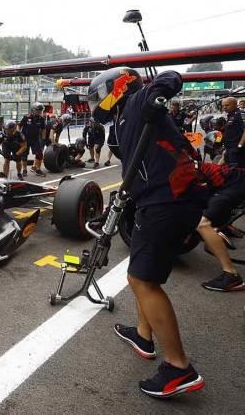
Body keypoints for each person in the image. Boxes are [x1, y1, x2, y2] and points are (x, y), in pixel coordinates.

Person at [88, 67, 208, 399]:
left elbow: (171, 76)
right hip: (154, 201)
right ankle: (143, 334)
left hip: (167, 200)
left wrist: (158, 94)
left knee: (142, 280)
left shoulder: (138, 102)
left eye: (98, 96)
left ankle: (178, 367)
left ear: (117, 89)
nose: (95, 104)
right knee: (139, 275)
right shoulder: (121, 123)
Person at [195, 161, 245, 291]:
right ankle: (218, 230)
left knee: (202, 223)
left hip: (235, 186)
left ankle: (232, 275)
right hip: (230, 179)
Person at [18, 102, 46, 176]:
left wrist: (43, 139)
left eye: (41, 111)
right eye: (39, 111)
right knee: (24, 155)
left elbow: (43, 129)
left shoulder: (41, 119)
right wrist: (19, 135)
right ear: (34, 110)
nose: (40, 112)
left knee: (39, 154)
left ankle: (38, 169)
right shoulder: (26, 117)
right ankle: (24, 170)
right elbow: (19, 126)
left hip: (35, 139)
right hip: (25, 139)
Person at [221, 96, 245, 167]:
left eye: (227, 105)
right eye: (223, 106)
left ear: (235, 104)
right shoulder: (230, 116)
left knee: (237, 172)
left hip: (237, 150)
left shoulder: (241, 114)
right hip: (229, 149)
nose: (224, 107)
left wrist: (240, 146)